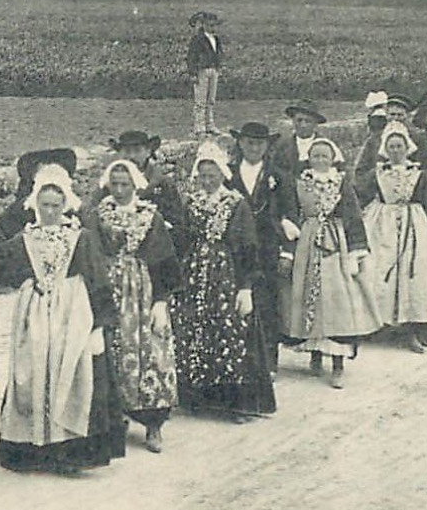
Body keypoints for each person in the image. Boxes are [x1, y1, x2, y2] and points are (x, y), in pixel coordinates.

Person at [0, 165, 126, 473]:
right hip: (35, 314)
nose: (49, 211)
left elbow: (98, 280)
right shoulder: (25, 238)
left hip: (72, 313)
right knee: (32, 375)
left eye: (55, 205)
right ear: (35, 205)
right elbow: (0, 265)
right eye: (44, 205)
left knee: (73, 375)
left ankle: (70, 454)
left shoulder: (81, 237)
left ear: (65, 205)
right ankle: (33, 452)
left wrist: (99, 326)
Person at [173, 141, 277, 421]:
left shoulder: (235, 203)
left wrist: (245, 286)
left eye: (212, 175)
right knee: (195, 331)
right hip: (194, 274)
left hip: (225, 274)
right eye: (203, 176)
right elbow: (182, 239)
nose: (207, 181)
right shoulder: (191, 202)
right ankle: (199, 398)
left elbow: (246, 245)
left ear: (222, 174)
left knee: (229, 333)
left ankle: (236, 403)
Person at [88, 159, 180, 453]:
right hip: (107, 289)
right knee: (109, 353)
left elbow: (165, 261)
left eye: (124, 185)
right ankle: (114, 421)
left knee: (149, 354)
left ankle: (153, 425)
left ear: (135, 184)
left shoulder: (150, 216)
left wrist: (161, 302)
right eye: (113, 185)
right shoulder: (99, 214)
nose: (118, 190)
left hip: (141, 291)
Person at [279, 138, 377, 388]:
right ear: (308, 159)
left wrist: (356, 252)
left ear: (333, 158)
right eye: (315, 156)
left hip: (335, 244)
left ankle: (338, 363)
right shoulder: (300, 183)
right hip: (307, 243)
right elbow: (290, 213)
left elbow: (353, 216)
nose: (320, 160)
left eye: (325, 156)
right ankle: (315, 354)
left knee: (336, 301)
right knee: (308, 297)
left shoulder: (341, 183)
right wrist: (289, 246)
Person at [356, 123, 427, 352]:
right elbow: (359, 196)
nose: (396, 150)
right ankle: (378, 326)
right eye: (391, 146)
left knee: (414, 274)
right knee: (379, 272)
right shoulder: (376, 173)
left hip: (413, 223)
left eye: (400, 146)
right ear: (385, 149)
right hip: (382, 225)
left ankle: (415, 331)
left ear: (408, 148)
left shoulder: (419, 174)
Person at [224, 122, 291, 379]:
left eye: (259, 143)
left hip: (268, 247)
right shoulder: (228, 174)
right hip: (235, 249)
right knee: (237, 301)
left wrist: (287, 252)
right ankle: (238, 358)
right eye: (249, 142)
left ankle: (269, 362)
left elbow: (289, 213)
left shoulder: (278, 175)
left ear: (267, 146)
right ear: (240, 144)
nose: (254, 148)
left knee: (267, 303)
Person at [106, 130, 183, 227]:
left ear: (148, 152)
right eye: (127, 151)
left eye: (137, 151)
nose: (131, 156)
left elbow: (177, 222)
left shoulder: (162, 183)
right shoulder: (109, 183)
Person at [186, 11, 226, 137]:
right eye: (210, 25)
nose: (213, 28)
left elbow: (219, 53)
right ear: (203, 25)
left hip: (213, 69)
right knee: (200, 101)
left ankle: (210, 125)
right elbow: (191, 57)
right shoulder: (198, 39)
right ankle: (199, 126)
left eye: (214, 25)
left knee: (211, 99)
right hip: (201, 70)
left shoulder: (216, 39)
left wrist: (219, 66)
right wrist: (193, 73)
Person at [269, 101, 327, 176]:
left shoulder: (325, 145)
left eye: (308, 121)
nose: (303, 125)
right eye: (299, 120)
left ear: (315, 124)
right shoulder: (281, 145)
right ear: (293, 121)